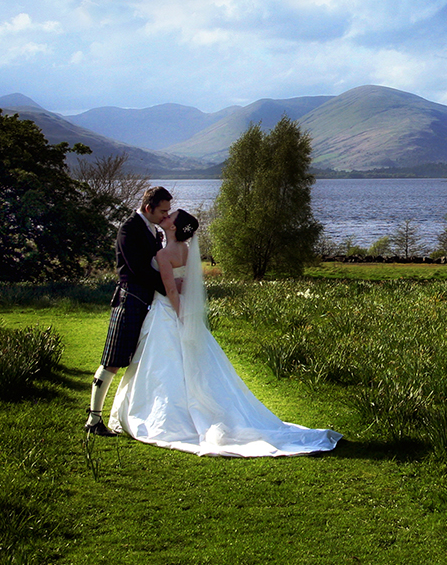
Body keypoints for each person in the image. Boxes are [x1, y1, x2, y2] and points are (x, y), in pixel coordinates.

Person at [108, 209, 342, 457]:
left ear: (174, 227)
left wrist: (179, 317)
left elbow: (171, 291)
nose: (165, 217)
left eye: (169, 216)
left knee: (162, 366)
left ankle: (166, 417)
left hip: (167, 313)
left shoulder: (164, 254)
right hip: (179, 312)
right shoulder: (185, 251)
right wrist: (187, 316)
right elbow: (187, 284)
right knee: (188, 366)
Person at [85, 187, 173, 437]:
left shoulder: (153, 229)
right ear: (148, 208)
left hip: (148, 302)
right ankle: (94, 419)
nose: (165, 216)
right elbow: (137, 270)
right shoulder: (129, 228)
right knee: (112, 360)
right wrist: (169, 287)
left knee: (141, 362)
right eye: (162, 211)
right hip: (129, 299)